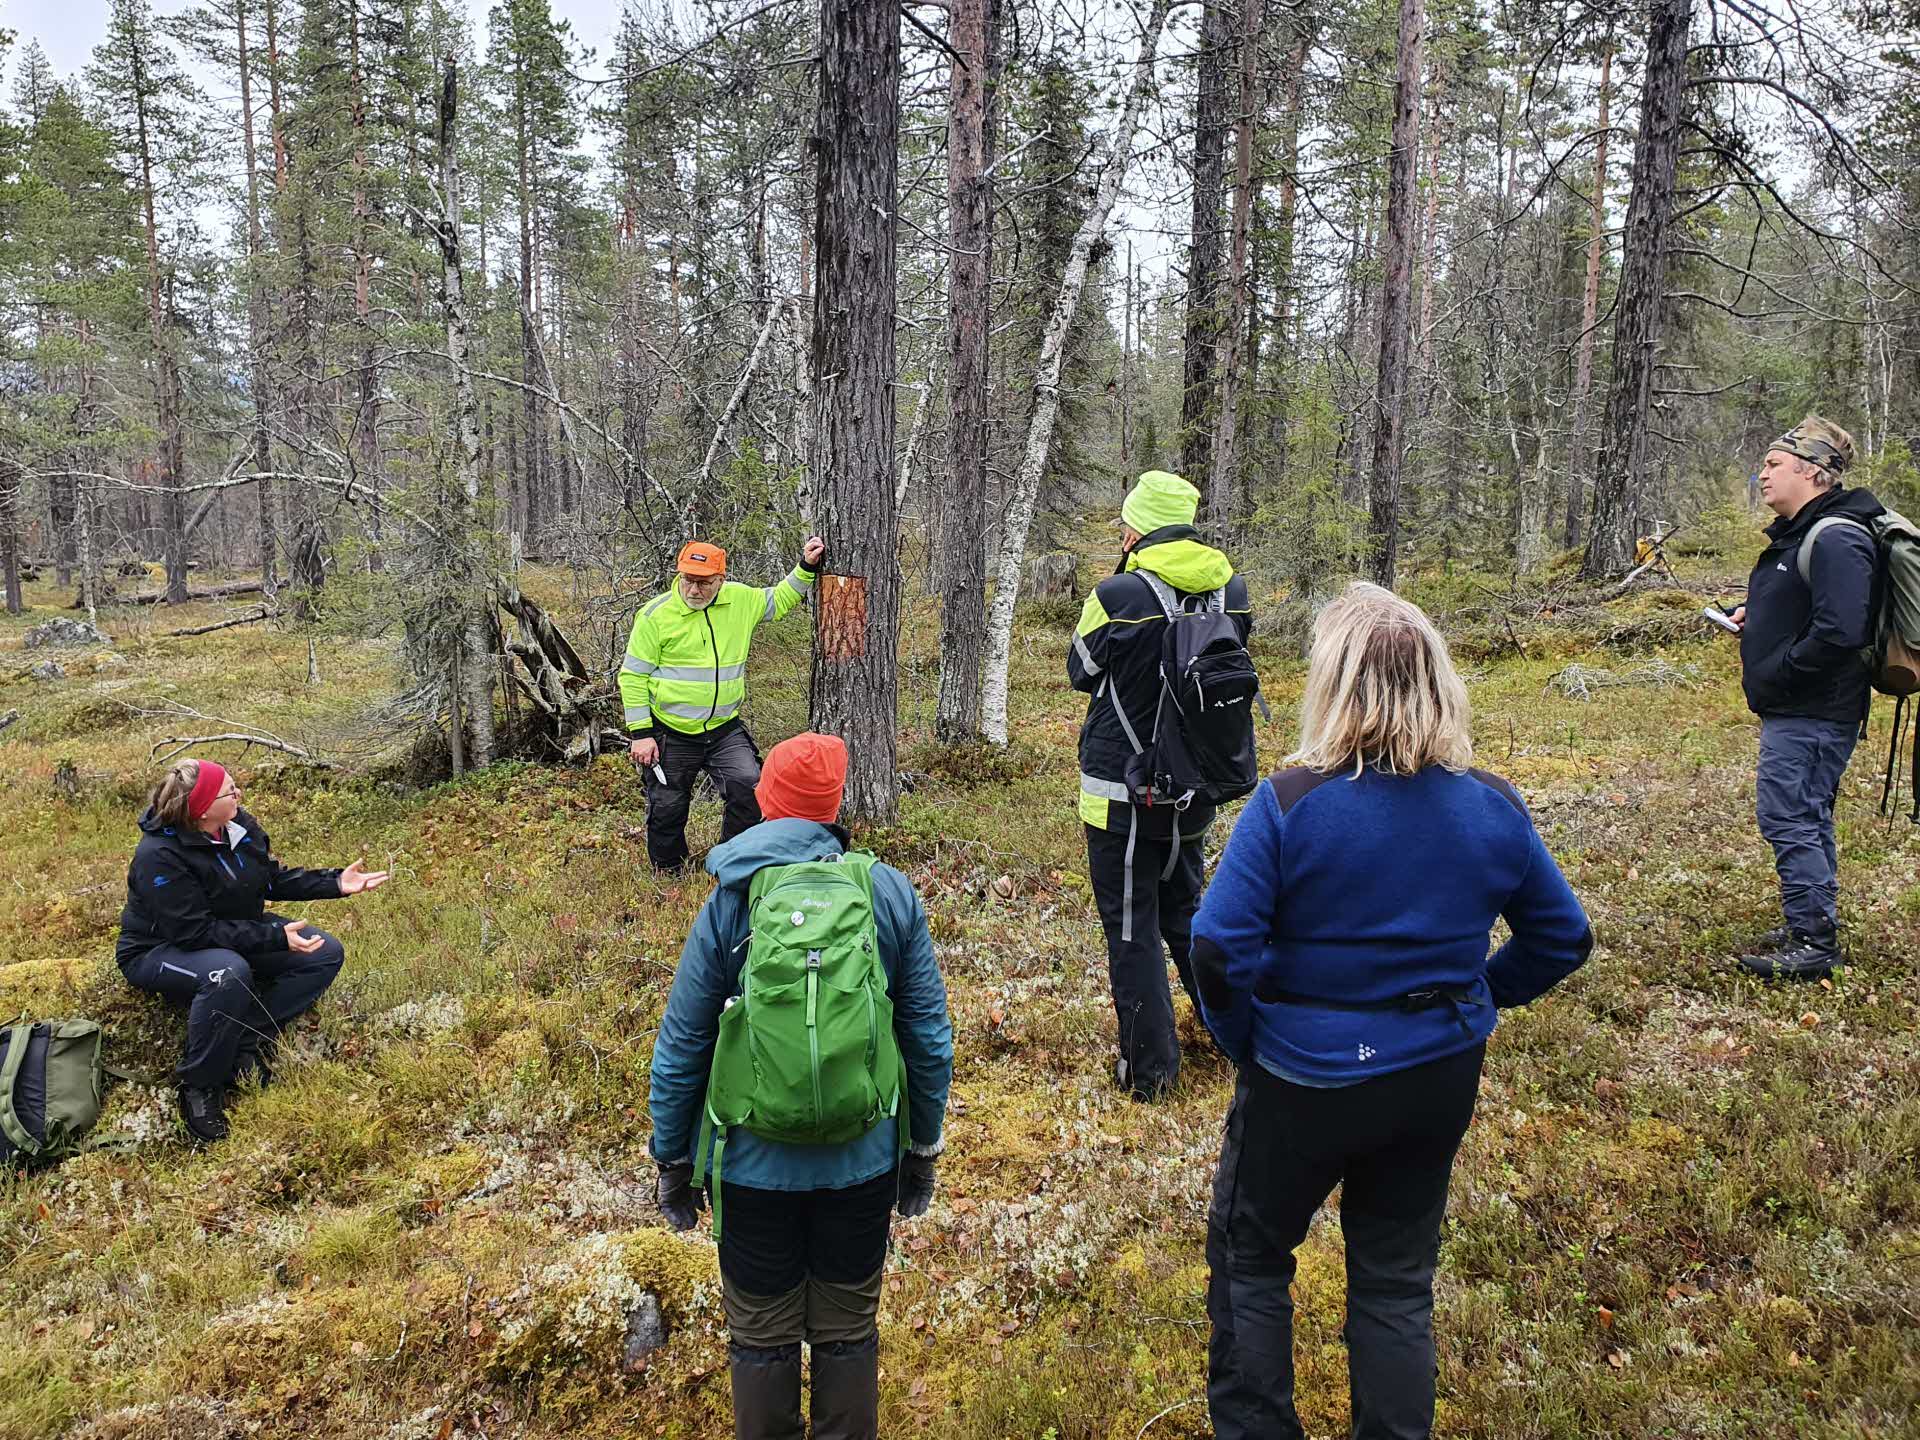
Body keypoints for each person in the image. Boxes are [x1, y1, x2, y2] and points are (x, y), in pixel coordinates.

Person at [1190, 582, 1591, 1440]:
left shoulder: (1293, 800)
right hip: (1436, 1074)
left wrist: (1241, 1038)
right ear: (1440, 681)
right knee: (1396, 1279)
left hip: (1303, 1075)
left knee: (1253, 1259)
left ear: (1333, 681)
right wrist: (1477, 995)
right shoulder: (1493, 803)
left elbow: (1219, 945)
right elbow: (1562, 938)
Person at [647, 732, 952, 1440]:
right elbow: (928, 1038)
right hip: (862, 1161)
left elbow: (684, 1042)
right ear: (831, 806)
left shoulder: (731, 898)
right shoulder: (885, 892)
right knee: (847, 1331)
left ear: (767, 802)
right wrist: (923, 1148)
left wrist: (672, 1159)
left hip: (752, 1167)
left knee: (760, 1339)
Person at [1066, 469, 1251, 1101]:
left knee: (1131, 926)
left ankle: (1151, 1074)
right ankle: (1233, 1036)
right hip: (1197, 788)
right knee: (1186, 910)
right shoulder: (1234, 590)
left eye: (1126, 523)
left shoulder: (1115, 595)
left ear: (1138, 527)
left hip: (1121, 792)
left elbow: (1080, 669)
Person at [117, 759, 390, 1143]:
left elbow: (270, 879)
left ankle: (246, 1040)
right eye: (230, 791)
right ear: (201, 809)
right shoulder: (158, 855)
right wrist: (274, 938)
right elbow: (194, 933)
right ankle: (199, 1086)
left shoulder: (238, 825)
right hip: (159, 950)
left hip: (230, 931)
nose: (239, 794)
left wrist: (334, 882)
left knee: (324, 952)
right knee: (227, 973)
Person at [1725, 416, 1883, 980]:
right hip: (1802, 706)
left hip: (1814, 709)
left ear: (1812, 472)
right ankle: (1808, 921)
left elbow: (1841, 630)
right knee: (1805, 814)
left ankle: (1814, 943)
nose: (1761, 474)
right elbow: (1809, 609)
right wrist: (1760, 620)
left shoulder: (1836, 535)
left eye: (1773, 464)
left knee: (1789, 814)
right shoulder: (1808, 531)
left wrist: (1783, 670)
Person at [620, 536, 827, 872]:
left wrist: (805, 567)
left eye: (703, 583)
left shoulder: (740, 600)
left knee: (749, 787)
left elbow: (778, 600)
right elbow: (632, 676)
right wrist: (641, 733)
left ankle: (732, 862)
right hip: (671, 731)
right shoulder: (655, 616)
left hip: (723, 730)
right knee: (668, 805)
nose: (694, 590)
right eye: (688, 580)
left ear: (720, 580)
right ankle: (669, 871)